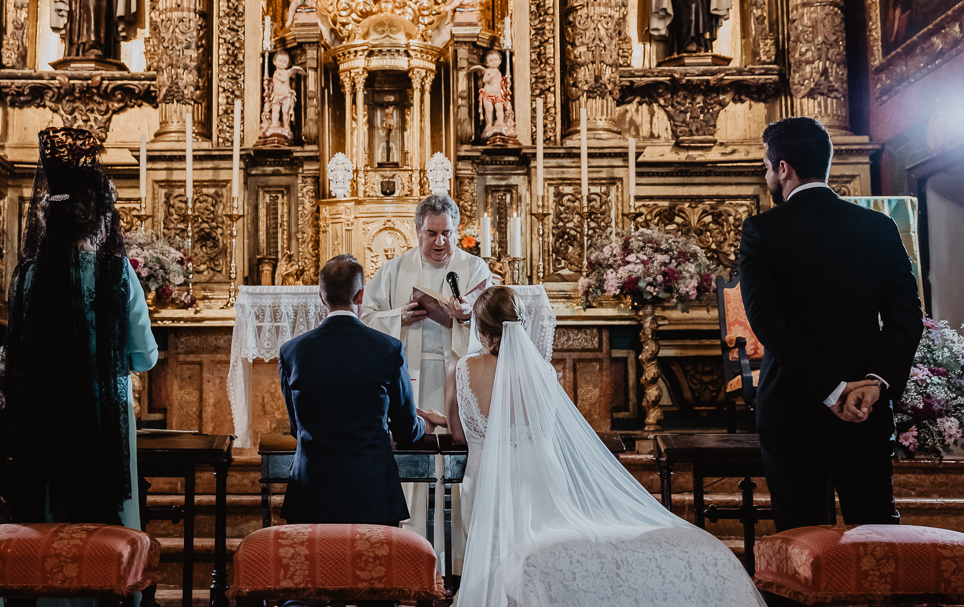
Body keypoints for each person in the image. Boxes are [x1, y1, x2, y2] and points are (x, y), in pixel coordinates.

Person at [420, 287, 765, 606]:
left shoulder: (461, 368)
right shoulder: (542, 372)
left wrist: (440, 419)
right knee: (545, 553)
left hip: (490, 478)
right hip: (539, 473)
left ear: (480, 328)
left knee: (495, 559)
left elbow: (461, 436)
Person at [0, 127, 158, 607]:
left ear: (47, 215)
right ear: (99, 218)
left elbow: (18, 351)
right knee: (104, 519)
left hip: (39, 417)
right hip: (101, 416)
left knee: (42, 516)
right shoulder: (116, 272)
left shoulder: (28, 275)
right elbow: (144, 355)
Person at [739, 116, 924, 532]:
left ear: (782, 168)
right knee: (876, 531)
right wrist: (873, 384)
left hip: (792, 409)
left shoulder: (763, 230)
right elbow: (907, 320)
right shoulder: (878, 227)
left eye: (767, 166)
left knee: (799, 537)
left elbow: (768, 322)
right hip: (866, 410)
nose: (768, 174)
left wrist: (832, 390)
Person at [279, 254, 430, 607]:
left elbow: (294, 425)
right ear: (361, 296)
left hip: (311, 490)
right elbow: (407, 429)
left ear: (321, 295)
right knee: (377, 592)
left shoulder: (293, 351)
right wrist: (427, 421)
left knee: (310, 591)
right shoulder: (388, 349)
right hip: (371, 492)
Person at [361, 194, 491, 563]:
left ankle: (458, 558)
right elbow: (366, 318)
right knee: (416, 461)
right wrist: (397, 317)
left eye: (447, 233)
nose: (440, 242)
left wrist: (466, 318)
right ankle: (413, 556)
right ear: (417, 232)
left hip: (461, 382)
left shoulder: (476, 269)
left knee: (453, 461)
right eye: (431, 233)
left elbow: (497, 327)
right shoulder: (395, 270)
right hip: (411, 381)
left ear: (457, 231)